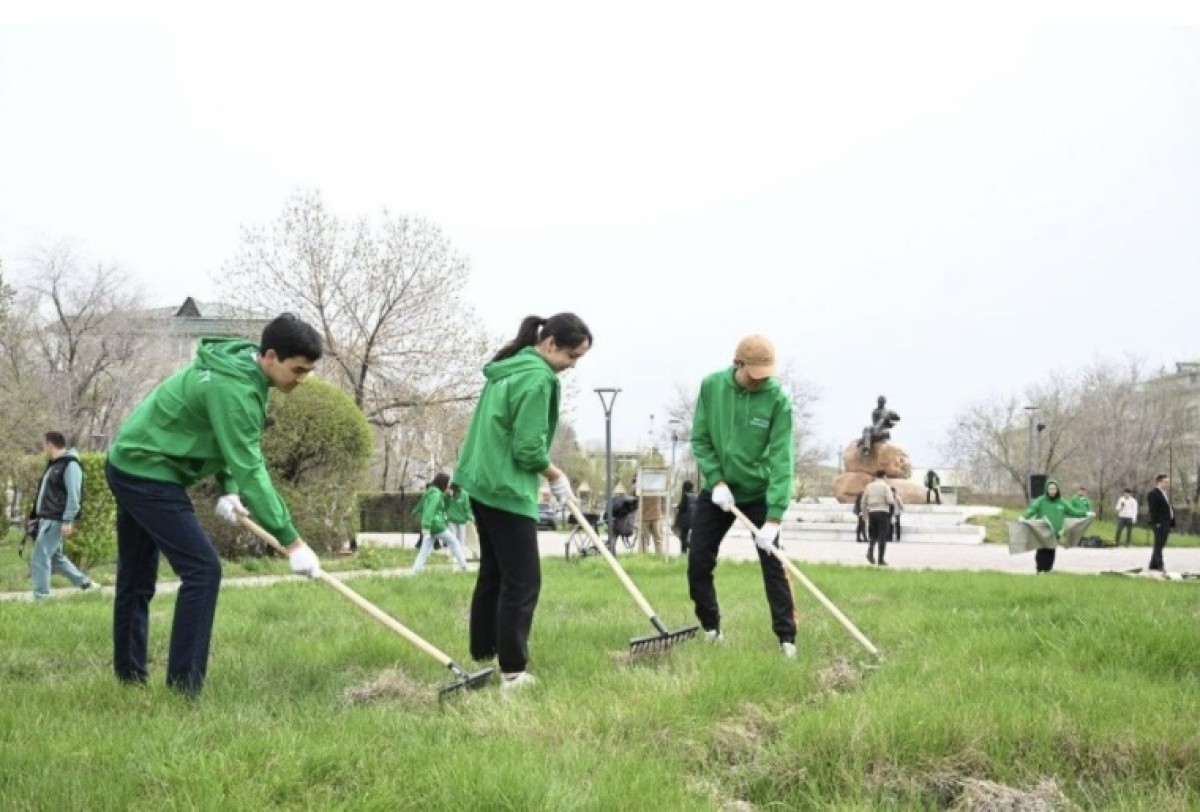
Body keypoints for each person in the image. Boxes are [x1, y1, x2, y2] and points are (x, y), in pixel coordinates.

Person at [105, 313, 324, 696]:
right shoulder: (235, 388)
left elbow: (218, 435)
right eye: (298, 370)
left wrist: (227, 489)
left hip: (135, 462)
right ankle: (182, 691)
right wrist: (293, 542)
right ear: (270, 356)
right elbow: (251, 465)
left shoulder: (242, 370)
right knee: (203, 570)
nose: (302, 379)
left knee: (137, 579)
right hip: (146, 471)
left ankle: (130, 679)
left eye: (307, 372)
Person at [453, 313, 592, 690]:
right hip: (506, 487)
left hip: (480, 481)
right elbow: (528, 449)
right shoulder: (538, 377)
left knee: (494, 573)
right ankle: (513, 671)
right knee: (523, 580)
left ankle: (484, 653)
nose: (571, 366)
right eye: (571, 357)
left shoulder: (507, 368)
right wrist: (556, 476)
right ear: (549, 345)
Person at [687, 334, 798, 658]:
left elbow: (782, 460)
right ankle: (711, 629)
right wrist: (717, 480)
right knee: (698, 562)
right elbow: (701, 438)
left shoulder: (778, 400)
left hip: (758, 493)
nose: (760, 381)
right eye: (754, 374)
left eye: (766, 375)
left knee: (774, 565)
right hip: (718, 493)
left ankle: (787, 639)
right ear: (738, 364)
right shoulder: (711, 387)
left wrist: (774, 517)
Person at [28, 431, 93, 599]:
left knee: (39, 556)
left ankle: (41, 596)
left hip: (56, 518)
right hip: (47, 517)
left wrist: (68, 520)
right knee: (56, 557)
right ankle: (86, 584)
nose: (43, 448)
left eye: (44, 444)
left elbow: (74, 494)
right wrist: (35, 515)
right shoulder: (55, 464)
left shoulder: (70, 464)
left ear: (50, 444)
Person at [1021, 478, 1088, 573]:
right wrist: (1024, 517)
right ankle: (1039, 570)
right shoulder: (1041, 500)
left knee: (1051, 552)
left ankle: (1048, 571)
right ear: (1046, 489)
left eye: (1054, 489)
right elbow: (1032, 510)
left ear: (1057, 490)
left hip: (1055, 534)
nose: (1052, 491)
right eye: (1050, 489)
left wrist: (1085, 513)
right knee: (1042, 551)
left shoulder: (1062, 502)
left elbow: (1073, 511)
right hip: (1042, 533)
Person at [411, 473, 468, 573]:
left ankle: (414, 571)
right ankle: (463, 566)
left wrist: (448, 497)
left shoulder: (432, 492)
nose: (448, 485)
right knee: (454, 542)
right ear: (443, 483)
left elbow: (444, 507)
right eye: (447, 483)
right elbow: (430, 510)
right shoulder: (436, 495)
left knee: (424, 551)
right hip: (437, 525)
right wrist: (427, 525)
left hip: (431, 527)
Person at [861, 470, 895, 566]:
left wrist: (864, 514)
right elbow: (890, 500)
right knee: (882, 537)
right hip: (883, 512)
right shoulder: (885, 486)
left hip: (872, 512)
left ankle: (870, 552)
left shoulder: (869, 486)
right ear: (884, 476)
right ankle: (881, 559)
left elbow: (863, 501)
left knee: (873, 536)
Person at [1146, 474, 1175, 572]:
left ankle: (1153, 564)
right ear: (1159, 482)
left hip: (1166, 522)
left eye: (1168, 482)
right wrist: (1156, 522)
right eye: (1165, 482)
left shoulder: (1164, 494)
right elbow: (1153, 510)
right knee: (1158, 544)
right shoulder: (1153, 494)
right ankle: (1159, 564)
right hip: (1160, 523)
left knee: (1160, 544)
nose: (1167, 484)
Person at [637, 475, 665, 555]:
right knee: (658, 539)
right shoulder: (658, 489)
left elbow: (633, 494)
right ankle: (659, 555)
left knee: (644, 539)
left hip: (644, 516)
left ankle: (644, 556)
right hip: (656, 516)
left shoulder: (642, 489)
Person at [446, 482, 475, 557]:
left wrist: (470, 517)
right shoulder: (449, 495)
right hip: (451, 519)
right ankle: (453, 554)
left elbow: (467, 507)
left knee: (461, 537)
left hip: (462, 520)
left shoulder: (464, 494)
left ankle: (460, 554)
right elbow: (445, 504)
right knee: (453, 537)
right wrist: (448, 496)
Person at [672, 480, 697, 555]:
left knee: (683, 536)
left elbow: (682, 507)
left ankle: (684, 551)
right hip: (693, 519)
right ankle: (691, 547)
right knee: (689, 536)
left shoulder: (685, 496)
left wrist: (676, 506)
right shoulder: (696, 495)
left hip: (685, 520)